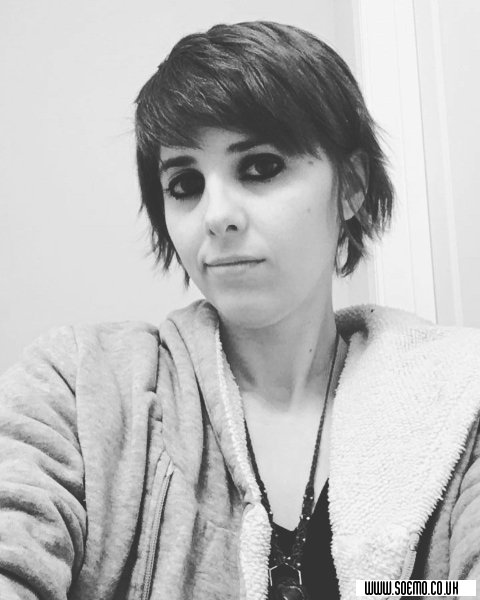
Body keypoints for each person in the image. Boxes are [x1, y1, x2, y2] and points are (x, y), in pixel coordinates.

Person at [1, 20, 480, 600]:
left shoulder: (458, 397)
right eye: (185, 184)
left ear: (352, 185)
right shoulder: (81, 387)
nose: (216, 215)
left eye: (260, 167)